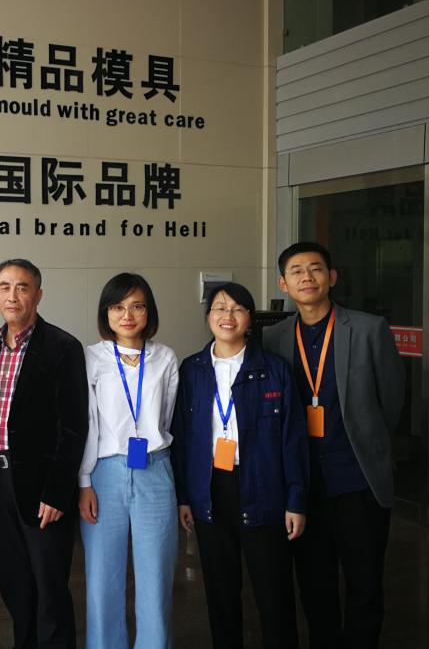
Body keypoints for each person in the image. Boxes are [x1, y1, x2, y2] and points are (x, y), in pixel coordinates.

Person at [264, 242, 404, 648]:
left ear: (332, 277)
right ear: (283, 284)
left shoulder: (368, 329)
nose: (307, 277)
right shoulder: (273, 338)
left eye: (315, 268)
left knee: (364, 583)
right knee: (314, 584)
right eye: (296, 271)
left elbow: (392, 399)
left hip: (359, 481)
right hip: (304, 487)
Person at [172, 282, 308, 649]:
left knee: (274, 592)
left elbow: (293, 440)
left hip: (264, 489)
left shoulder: (274, 369)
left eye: (237, 309)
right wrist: (184, 497)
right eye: (219, 308)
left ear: (250, 318)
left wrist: (296, 499)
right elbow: (182, 438)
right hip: (210, 490)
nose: (227, 316)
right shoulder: (192, 370)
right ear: (208, 317)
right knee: (220, 592)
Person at [0, 259, 88, 649]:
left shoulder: (63, 348)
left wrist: (58, 492)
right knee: (14, 584)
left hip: (43, 487)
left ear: (38, 295)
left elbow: (74, 426)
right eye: (5, 286)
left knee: (49, 587)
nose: (13, 295)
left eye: (22, 287)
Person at [78, 273, 179, 648]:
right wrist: (84, 482)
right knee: (102, 576)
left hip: (154, 468)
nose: (127, 315)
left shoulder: (165, 357)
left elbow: (166, 417)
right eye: (118, 307)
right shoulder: (91, 357)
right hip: (104, 473)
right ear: (106, 312)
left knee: (156, 575)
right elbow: (88, 422)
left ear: (149, 311)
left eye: (137, 306)